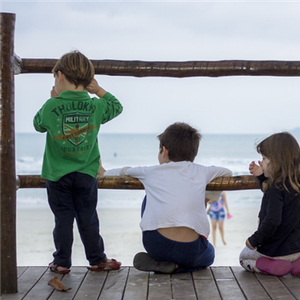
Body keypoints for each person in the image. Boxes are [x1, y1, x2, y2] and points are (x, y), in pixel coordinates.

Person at [33, 50, 123, 274]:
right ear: (87, 80)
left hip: (57, 175)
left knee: (62, 219)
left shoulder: (51, 106)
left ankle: (62, 261)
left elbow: (37, 124)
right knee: (88, 218)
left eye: (55, 78)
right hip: (85, 174)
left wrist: (53, 100)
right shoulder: (95, 106)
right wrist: (98, 90)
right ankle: (97, 259)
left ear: (60, 76)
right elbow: (117, 106)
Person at [103, 122, 232, 273]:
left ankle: (165, 263)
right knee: (210, 255)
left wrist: (102, 172)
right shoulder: (203, 172)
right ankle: (179, 268)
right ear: (194, 153)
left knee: (149, 198)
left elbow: (121, 172)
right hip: (190, 250)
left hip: (156, 244)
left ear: (164, 151)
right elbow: (227, 172)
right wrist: (206, 198)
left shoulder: (150, 172)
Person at [239, 132, 300, 276]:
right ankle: (296, 265)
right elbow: (268, 190)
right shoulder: (295, 185)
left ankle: (267, 265)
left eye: (264, 158)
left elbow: (272, 221)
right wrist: (261, 176)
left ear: (276, 162)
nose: (261, 162)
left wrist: (254, 240)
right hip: (296, 250)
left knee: (243, 257)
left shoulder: (274, 189)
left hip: (273, 252)